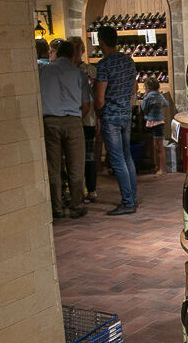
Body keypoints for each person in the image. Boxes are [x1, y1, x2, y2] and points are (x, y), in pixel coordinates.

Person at [38, 40, 92, 219]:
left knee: (53, 167)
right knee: (76, 166)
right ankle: (77, 206)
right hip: (73, 120)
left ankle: (57, 208)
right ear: (73, 55)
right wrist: (76, 119)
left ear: (57, 53)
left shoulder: (44, 71)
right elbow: (86, 105)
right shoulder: (79, 74)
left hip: (50, 121)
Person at [95, 25, 138, 215]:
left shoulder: (103, 65)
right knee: (127, 156)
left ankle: (127, 202)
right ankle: (132, 198)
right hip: (126, 114)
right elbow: (134, 88)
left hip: (110, 117)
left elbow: (99, 99)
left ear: (101, 41)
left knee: (118, 159)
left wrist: (98, 111)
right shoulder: (128, 61)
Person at [69, 35, 100, 203]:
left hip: (87, 119)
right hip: (71, 118)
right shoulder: (65, 71)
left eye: (78, 48)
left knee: (88, 156)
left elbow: (96, 95)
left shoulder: (90, 70)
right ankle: (76, 192)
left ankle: (92, 190)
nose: (76, 52)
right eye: (72, 48)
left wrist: (98, 118)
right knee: (72, 158)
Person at [141, 77, 169, 175]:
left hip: (152, 122)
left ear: (148, 87)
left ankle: (161, 168)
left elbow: (143, 107)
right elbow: (166, 104)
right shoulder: (159, 95)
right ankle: (159, 167)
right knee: (159, 146)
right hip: (160, 122)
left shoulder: (148, 96)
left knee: (158, 146)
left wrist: (145, 97)